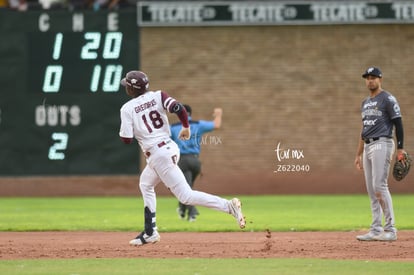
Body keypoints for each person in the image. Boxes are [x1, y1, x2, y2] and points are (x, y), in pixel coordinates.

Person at [118, 70, 246, 246]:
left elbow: (126, 139)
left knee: (185, 196)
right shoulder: (158, 95)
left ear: (131, 89)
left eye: (127, 85)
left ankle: (228, 206)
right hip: (169, 148)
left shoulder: (127, 108)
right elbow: (178, 107)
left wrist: (133, 130)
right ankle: (150, 231)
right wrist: (186, 126)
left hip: (159, 155)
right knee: (146, 183)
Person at [354, 66, 406, 242]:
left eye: (373, 77)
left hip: (382, 142)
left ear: (380, 79)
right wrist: (358, 153)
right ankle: (375, 229)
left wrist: (400, 148)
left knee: (379, 186)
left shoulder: (388, 99)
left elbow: (398, 123)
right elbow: (364, 129)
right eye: (367, 77)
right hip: (368, 145)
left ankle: (390, 229)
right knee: (371, 189)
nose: (370, 80)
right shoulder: (365, 103)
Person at [170, 105, 222, 222]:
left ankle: (192, 212)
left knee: (185, 188)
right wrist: (218, 114)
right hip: (195, 161)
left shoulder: (173, 127)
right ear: (190, 113)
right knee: (187, 187)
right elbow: (216, 125)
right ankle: (182, 209)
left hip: (181, 160)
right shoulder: (198, 124)